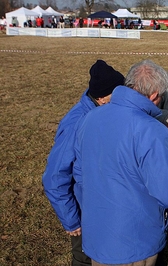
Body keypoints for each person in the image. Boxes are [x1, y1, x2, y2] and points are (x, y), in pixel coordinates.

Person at [73, 60, 168, 266]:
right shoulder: (154, 131)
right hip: (135, 243)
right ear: (155, 95)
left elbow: (80, 173)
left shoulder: (90, 117)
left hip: (97, 234)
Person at [42, 60, 125, 266]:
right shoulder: (76, 123)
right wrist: (71, 220)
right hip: (83, 210)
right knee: (85, 257)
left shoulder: (104, 111)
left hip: (103, 204)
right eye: (119, 93)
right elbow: (54, 176)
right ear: (102, 97)